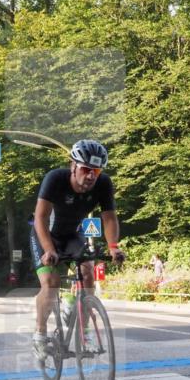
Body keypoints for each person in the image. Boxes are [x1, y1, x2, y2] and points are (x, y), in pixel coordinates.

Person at [30, 139, 124, 361]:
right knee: (51, 283)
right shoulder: (55, 179)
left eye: (96, 171)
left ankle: (85, 331)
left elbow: (109, 218)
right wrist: (49, 250)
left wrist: (113, 247)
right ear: (73, 165)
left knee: (88, 271)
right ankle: (40, 335)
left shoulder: (103, 184)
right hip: (45, 234)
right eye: (86, 169)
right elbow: (40, 217)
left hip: (72, 235)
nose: (91, 176)